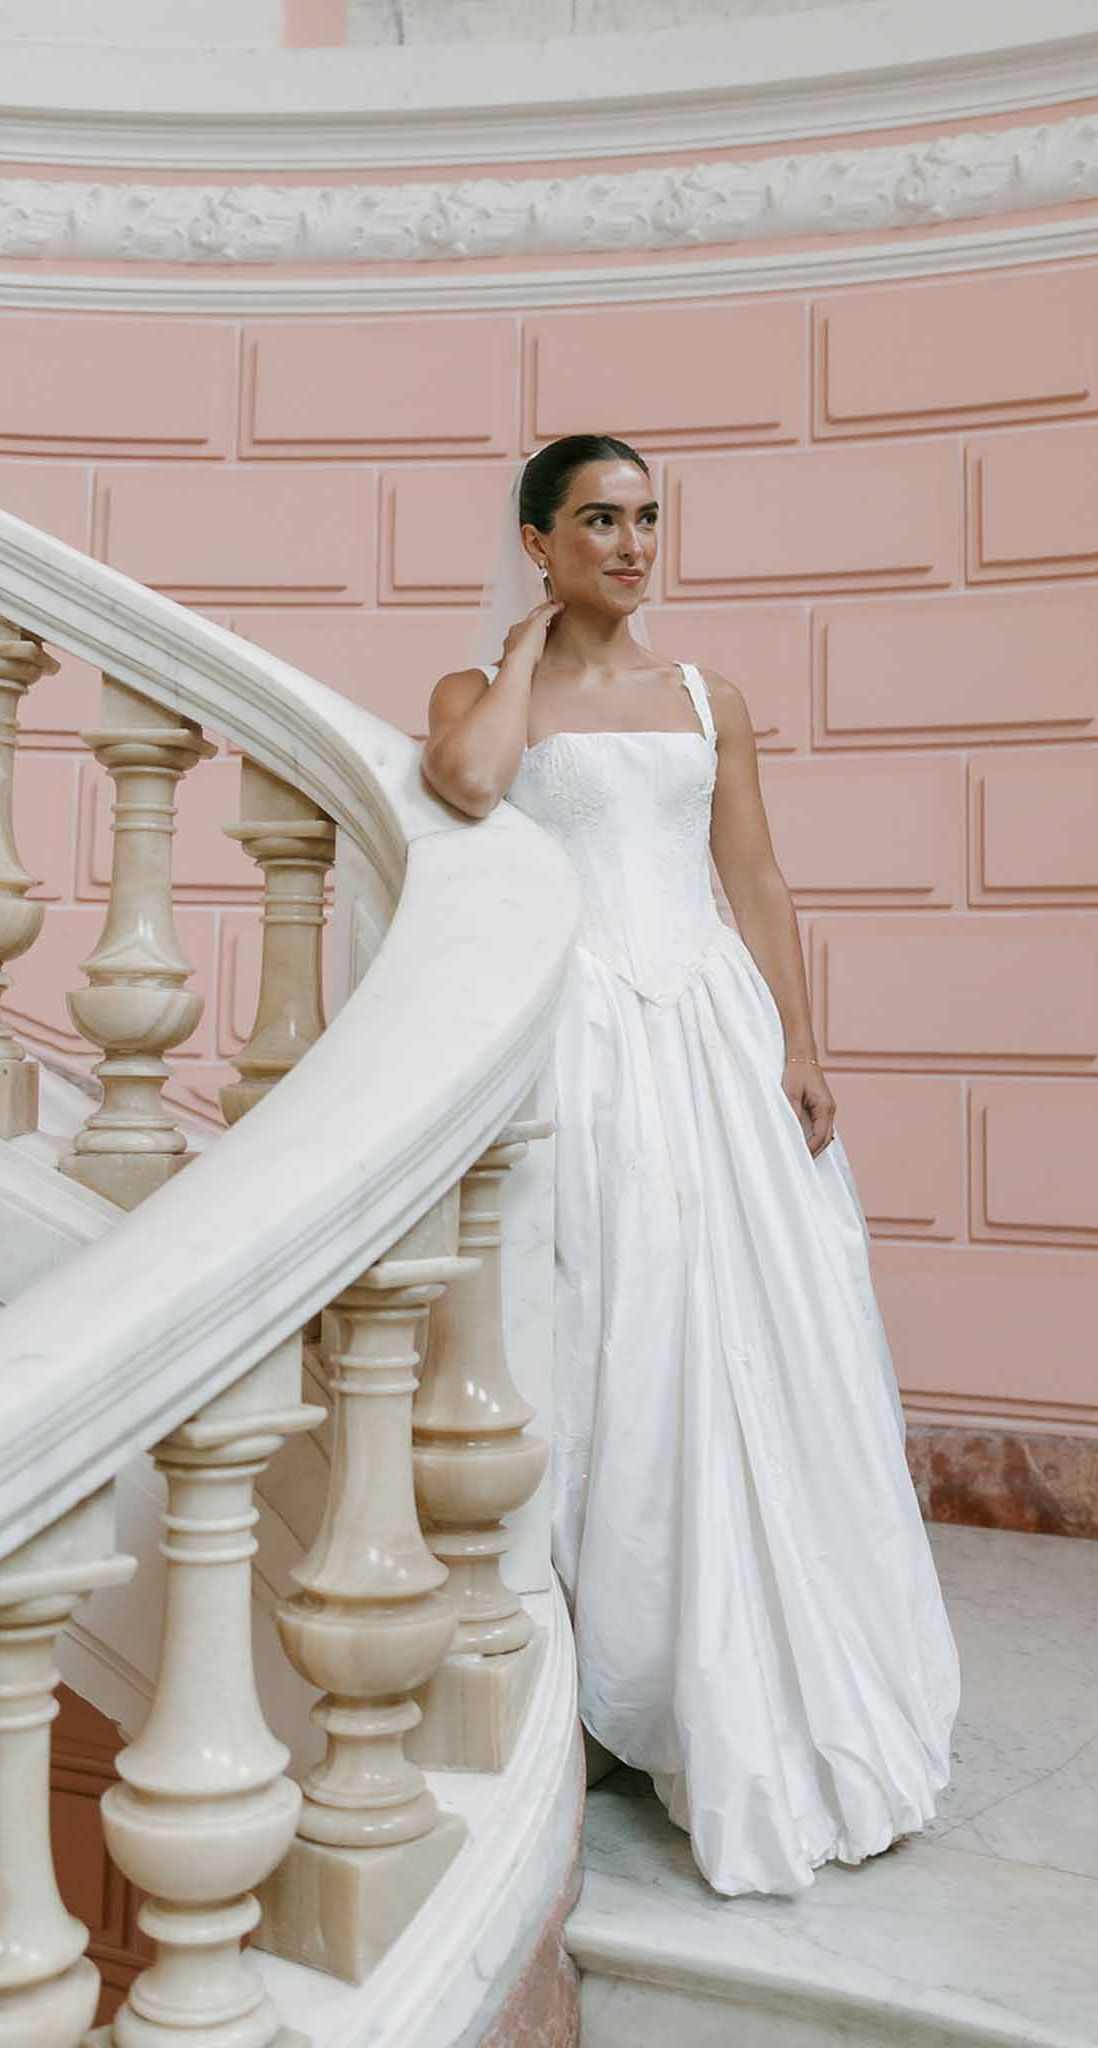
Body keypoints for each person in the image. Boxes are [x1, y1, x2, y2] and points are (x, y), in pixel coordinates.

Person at [421, 433, 960, 1899]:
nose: (633, 542)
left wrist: (801, 1040)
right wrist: (531, 652)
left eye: (648, 517)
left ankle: (734, 1676)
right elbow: (467, 790)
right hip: (577, 1046)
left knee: (753, 1336)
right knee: (597, 1343)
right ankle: (592, 1681)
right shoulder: (481, 695)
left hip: (709, 1040)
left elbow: (757, 874)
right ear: (538, 540)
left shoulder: (707, 697)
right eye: (598, 518)